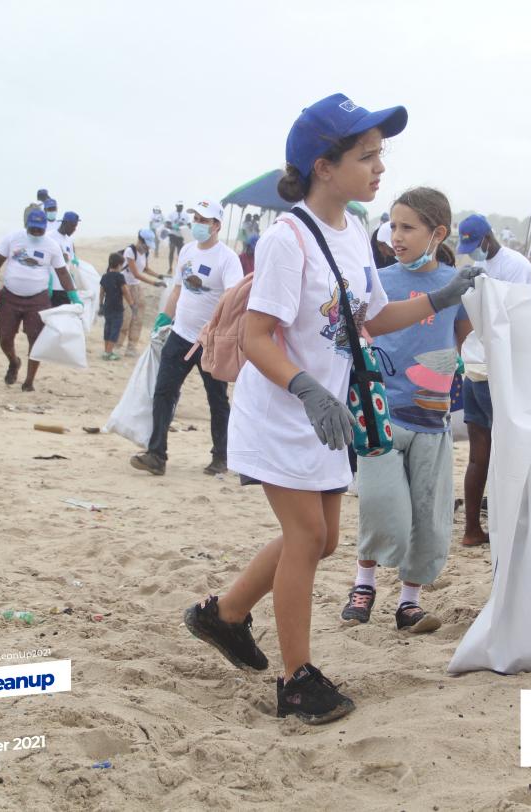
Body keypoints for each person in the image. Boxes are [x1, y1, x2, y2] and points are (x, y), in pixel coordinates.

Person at [180, 93, 479, 725]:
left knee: (324, 538)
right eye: (367, 156)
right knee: (308, 536)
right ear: (324, 165)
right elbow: (260, 336)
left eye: (380, 155)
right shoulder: (291, 239)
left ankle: (224, 614)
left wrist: (441, 298)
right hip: (283, 411)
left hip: (327, 416)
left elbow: (372, 317)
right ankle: (296, 681)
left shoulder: (351, 237)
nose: (379, 168)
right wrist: (308, 389)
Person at [340, 187, 474, 633]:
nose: (395, 236)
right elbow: (356, 334)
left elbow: (464, 343)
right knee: (380, 503)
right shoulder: (379, 280)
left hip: (433, 421)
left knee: (428, 513)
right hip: (382, 414)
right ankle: (364, 583)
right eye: (393, 225)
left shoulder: (457, 286)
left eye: (407, 228)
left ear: (437, 233)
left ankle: (409, 601)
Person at [131, 199, 243, 477]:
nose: (198, 225)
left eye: (204, 221)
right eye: (196, 219)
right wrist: (164, 319)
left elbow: (233, 300)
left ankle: (221, 456)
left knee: (216, 399)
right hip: (180, 335)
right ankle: (156, 455)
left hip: (209, 342)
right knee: (163, 393)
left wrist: (218, 333)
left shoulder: (227, 259)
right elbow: (178, 290)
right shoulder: (188, 251)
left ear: (216, 225)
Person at [454, 212, 531, 548]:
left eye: (475, 244)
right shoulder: (487, 268)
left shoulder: (515, 265)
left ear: (487, 238)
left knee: (481, 455)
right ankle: (490, 529)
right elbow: (516, 321)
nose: (473, 251)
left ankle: (474, 530)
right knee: (500, 454)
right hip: (489, 374)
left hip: (477, 369)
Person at [0, 208, 78, 392]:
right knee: (4, 338)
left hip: (38, 299)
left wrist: (73, 296)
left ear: (45, 227)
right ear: (27, 225)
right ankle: (13, 361)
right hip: (10, 296)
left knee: (36, 341)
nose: (36, 232)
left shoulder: (51, 245)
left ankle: (29, 381)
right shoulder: (12, 238)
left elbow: (62, 273)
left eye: (40, 229)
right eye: (33, 228)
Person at [121, 229, 167, 356]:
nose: (147, 247)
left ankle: (131, 347)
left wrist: (159, 276)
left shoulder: (145, 253)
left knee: (138, 317)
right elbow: (136, 273)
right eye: (145, 244)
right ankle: (117, 345)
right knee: (126, 316)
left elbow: (145, 269)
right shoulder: (130, 251)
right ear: (140, 240)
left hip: (137, 287)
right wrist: (154, 283)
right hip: (125, 286)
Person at [456, 214, 531, 284]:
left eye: (473, 247)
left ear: (488, 238)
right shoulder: (479, 263)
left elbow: (514, 300)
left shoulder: (516, 265)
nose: (471, 253)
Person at [98, 252, 132, 360]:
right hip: (117, 307)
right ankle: (109, 352)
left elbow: (101, 292)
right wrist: (132, 304)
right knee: (115, 329)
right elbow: (125, 291)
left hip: (107, 306)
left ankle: (106, 351)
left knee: (107, 328)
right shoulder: (120, 277)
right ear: (119, 265)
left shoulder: (105, 276)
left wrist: (100, 305)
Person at [47, 211, 81, 307]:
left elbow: (69, 260)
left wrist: (73, 262)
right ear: (65, 223)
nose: (74, 229)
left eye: (76, 226)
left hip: (65, 288)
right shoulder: (49, 236)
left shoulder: (69, 240)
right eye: (73, 226)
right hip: (51, 287)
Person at [165, 201, 190, 268]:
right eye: (179, 206)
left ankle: (179, 268)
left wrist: (185, 227)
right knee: (172, 249)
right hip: (172, 235)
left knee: (180, 253)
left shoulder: (186, 215)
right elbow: (167, 224)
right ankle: (170, 267)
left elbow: (189, 225)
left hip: (181, 236)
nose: (180, 207)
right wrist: (173, 227)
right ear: (176, 206)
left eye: (181, 206)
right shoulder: (171, 214)